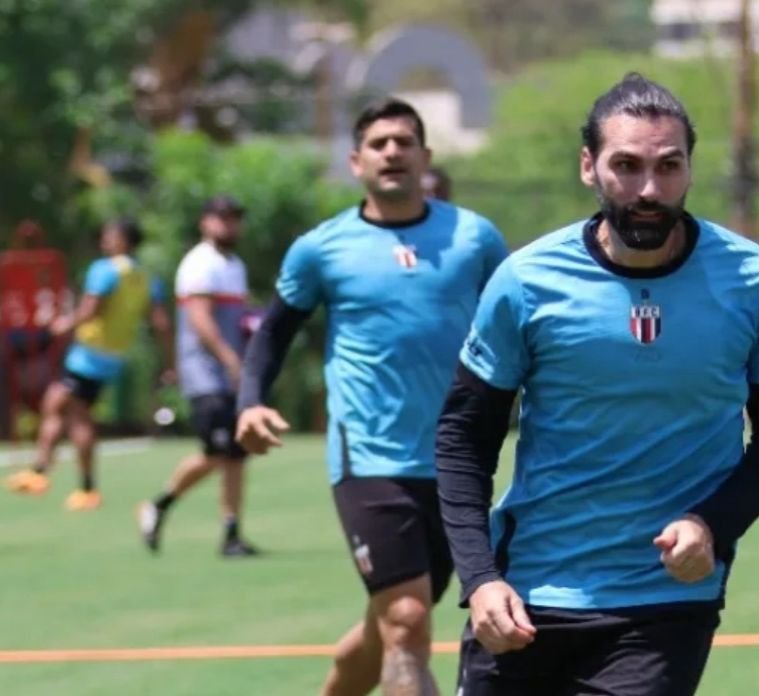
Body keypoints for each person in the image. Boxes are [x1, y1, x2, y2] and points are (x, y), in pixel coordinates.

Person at [435, 72, 759, 696]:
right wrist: (479, 579)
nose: (648, 189)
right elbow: (463, 439)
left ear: (691, 167)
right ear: (588, 167)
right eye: (627, 165)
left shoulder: (754, 281)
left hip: (665, 599)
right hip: (527, 591)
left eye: (669, 166)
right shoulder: (526, 282)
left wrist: (713, 523)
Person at [234, 98, 508, 695]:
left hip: (458, 459)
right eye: (379, 144)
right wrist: (249, 400)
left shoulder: (473, 238)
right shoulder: (321, 248)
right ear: (356, 161)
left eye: (404, 142)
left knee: (390, 621)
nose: (392, 152)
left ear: (425, 157)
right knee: (407, 622)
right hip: (369, 459)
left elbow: (519, 326)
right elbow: (274, 331)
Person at [5, 218, 170, 510]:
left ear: (123, 239)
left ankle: (82, 487)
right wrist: (169, 360)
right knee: (58, 406)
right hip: (114, 354)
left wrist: (60, 325)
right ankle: (42, 472)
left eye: (110, 234)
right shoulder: (146, 277)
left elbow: (90, 310)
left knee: (73, 413)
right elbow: (159, 322)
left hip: (88, 354)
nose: (105, 239)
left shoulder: (104, 270)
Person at [137, 195, 259, 557]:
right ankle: (158, 504)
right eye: (222, 218)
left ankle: (231, 533)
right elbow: (200, 320)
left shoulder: (234, 265)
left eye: (235, 218)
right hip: (205, 374)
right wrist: (229, 359)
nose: (229, 225)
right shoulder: (200, 264)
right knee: (218, 452)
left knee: (236, 454)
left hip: (229, 374)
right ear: (205, 222)